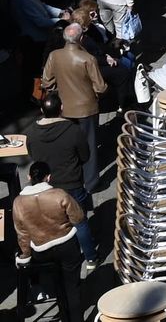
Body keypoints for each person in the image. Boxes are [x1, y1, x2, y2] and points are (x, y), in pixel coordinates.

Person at [27, 93, 95, 272]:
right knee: (80, 221)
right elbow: (85, 156)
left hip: (47, 186)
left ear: (42, 110)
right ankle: (90, 258)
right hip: (72, 183)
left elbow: (33, 155)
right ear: (62, 108)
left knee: (52, 223)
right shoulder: (73, 130)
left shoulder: (32, 132)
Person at [15, 161, 88, 320]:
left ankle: (62, 312)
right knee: (72, 287)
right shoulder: (59, 194)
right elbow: (78, 217)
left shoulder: (18, 203)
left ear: (28, 177)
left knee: (55, 281)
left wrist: (25, 256)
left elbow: (22, 234)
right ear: (48, 177)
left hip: (41, 250)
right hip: (67, 245)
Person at [42, 22, 107, 191]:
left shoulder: (54, 56)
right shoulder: (88, 59)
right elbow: (100, 87)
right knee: (89, 146)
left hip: (64, 109)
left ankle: (71, 178)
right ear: (81, 38)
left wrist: (59, 91)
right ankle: (91, 183)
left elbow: (46, 82)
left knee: (68, 144)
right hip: (87, 108)